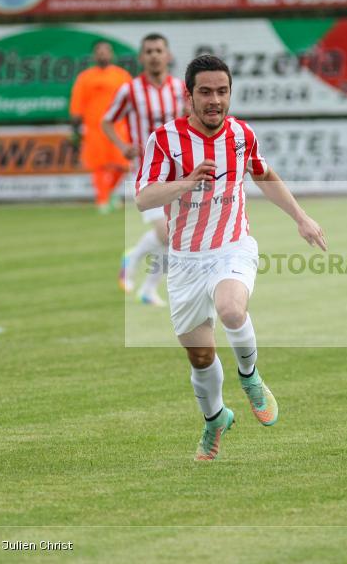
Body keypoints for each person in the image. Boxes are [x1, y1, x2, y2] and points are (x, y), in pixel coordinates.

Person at [135, 54, 327, 461]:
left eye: (222, 91)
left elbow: (264, 175)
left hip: (232, 246)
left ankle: (251, 378)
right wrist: (186, 183)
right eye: (205, 92)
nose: (215, 100)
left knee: (231, 309)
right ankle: (215, 419)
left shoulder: (241, 134)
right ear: (189, 96)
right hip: (186, 260)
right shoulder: (165, 140)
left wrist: (301, 217)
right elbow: (143, 198)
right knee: (201, 359)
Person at [103, 33, 186, 306]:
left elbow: (190, 120)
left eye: (158, 50)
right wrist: (122, 145)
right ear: (141, 57)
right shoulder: (130, 90)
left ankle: (149, 289)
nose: (154, 55)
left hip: (176, 171)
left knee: (173, 236)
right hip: (146, 171)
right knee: (165, 233)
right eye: (148, 51)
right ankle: (134, 258)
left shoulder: (179, 87)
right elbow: (107, 121)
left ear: (168, 55)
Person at [69, 40, 132, 214]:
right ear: (94, 55)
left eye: (106, 51)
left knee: (123, 164)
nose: (103, 54)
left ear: (111, 54)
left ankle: (110, 192)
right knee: (99, 165)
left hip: (117, 127)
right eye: (100, 51)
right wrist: (75, 126)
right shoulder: (85, 77)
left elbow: (132, 102)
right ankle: (102, 200)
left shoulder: (122, 76)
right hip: (95, 128)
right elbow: (77, 104)